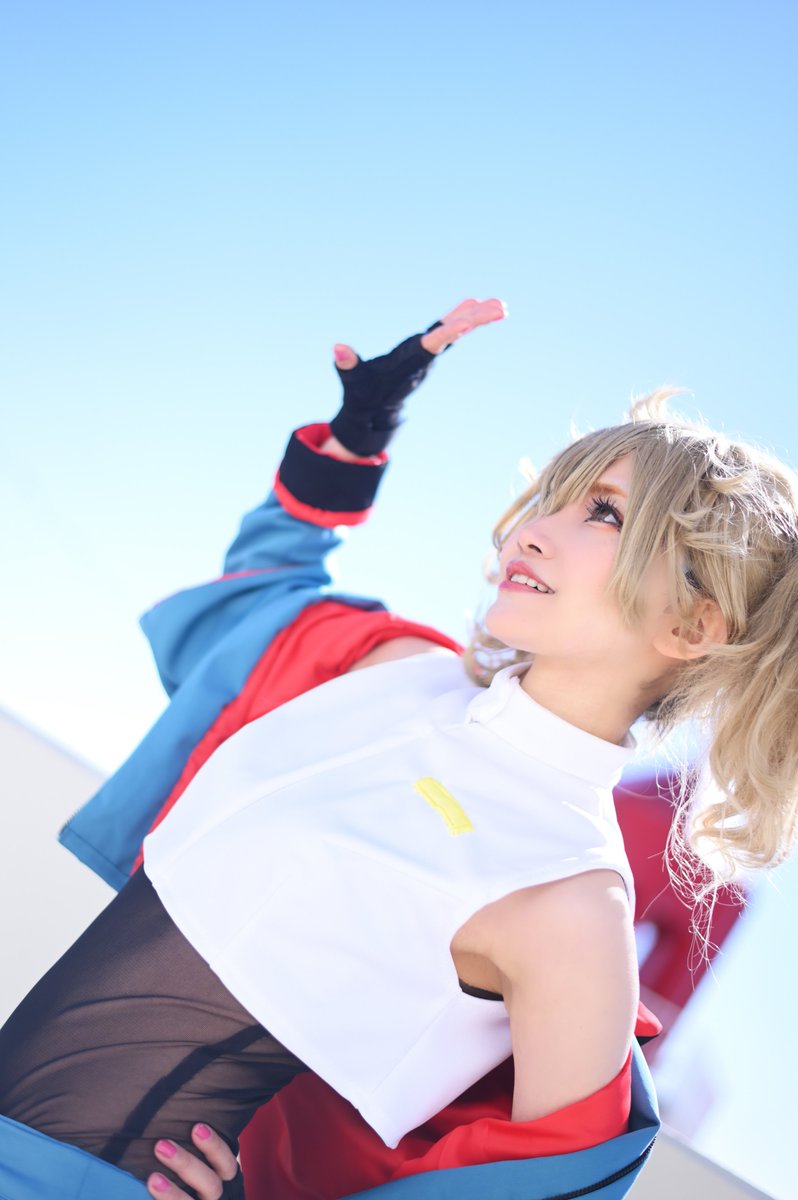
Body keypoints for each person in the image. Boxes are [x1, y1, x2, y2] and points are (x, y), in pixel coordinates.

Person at [1, 298, 796, 1200]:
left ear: (694, 625)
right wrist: (357, 434)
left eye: (605, 515)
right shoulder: (397, 672)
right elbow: (261, 588)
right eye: (553, 498)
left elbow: (548, 1186)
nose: (531, 529)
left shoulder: (571, 899)